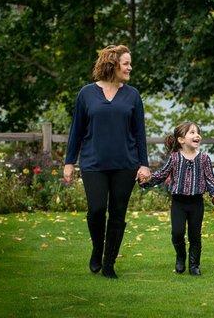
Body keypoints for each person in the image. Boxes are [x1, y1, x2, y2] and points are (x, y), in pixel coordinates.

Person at [63, 44, 151, 279]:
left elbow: (139, 133)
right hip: (94, 163)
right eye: (126, 63)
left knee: (118, 213)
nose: (130, 67)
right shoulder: (86, 94)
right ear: (112, 64)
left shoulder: (132, 95)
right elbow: (77, 130)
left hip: (126, 164)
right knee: (97, 209)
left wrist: (144, 164)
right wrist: (69, 161)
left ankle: (109, 262)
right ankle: (97, 248)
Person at [140, 122, 214, 275]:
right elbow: (161, 174)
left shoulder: (204, 159)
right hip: (178, 202)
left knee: (195, 235)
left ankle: (194, 266)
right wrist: (146, 180)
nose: (196, 135)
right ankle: (180, 257)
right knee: (177, 233)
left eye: (198, 132)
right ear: (181, 139)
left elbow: (210, 179)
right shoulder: (175, 158)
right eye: (192, 132)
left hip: (196, 202)